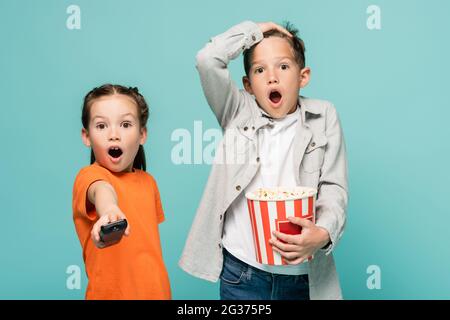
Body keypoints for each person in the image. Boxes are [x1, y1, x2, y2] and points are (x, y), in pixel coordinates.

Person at [180, 21, 348, 300]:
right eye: (260, 70)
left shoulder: (324, 115)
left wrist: (322, 233)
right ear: (247, 85)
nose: (272, 77)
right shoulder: (237, 111)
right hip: (242, 273)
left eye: (283, 66)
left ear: (303, 76)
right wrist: (254, 30)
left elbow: (334, 188)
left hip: (304, 277)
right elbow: (207, 60)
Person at [72, 84, 171, 299]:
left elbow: (147, 251)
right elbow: (101, 190)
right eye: (101, 126)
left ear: (142, 134)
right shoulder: (88, 176)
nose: (114, 135)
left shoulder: (148, 183)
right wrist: (109, 209)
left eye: (125, 124)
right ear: (86, 136)